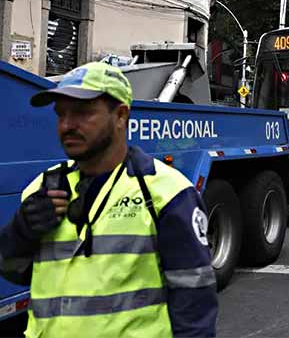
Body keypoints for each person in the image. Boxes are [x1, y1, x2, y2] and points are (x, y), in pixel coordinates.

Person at [0, 63, 217, 338]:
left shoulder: (167, 194)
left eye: (82, 113)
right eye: (61, 114)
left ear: (120, 116)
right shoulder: (41, 188)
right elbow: (12, 272)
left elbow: (195, 306)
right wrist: (20, 232)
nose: (67, 125)